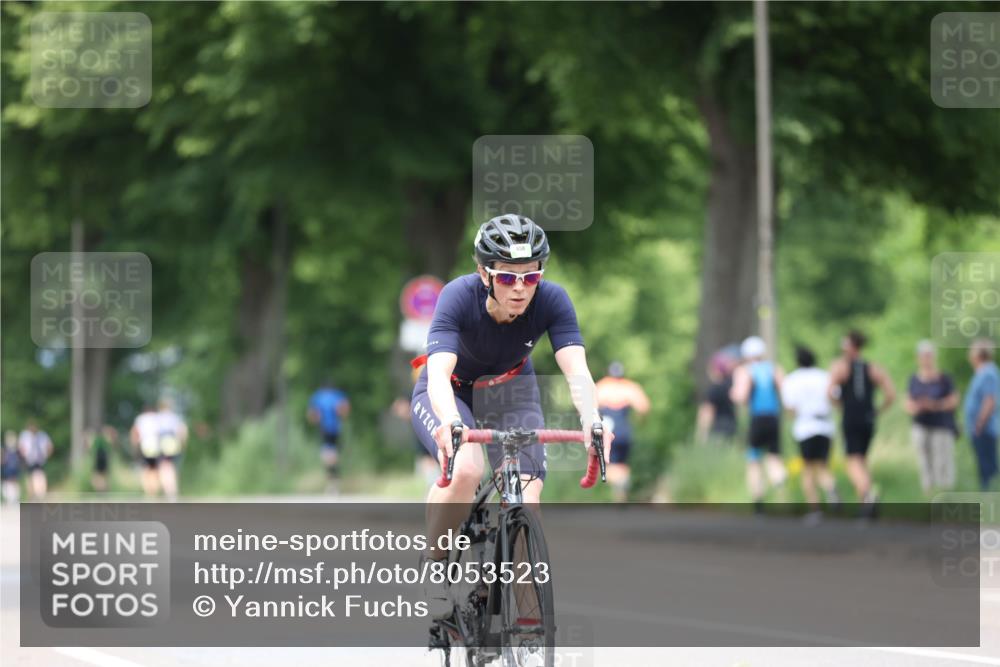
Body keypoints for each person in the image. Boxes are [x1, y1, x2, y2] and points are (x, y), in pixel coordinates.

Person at [409, 214, 612, 619]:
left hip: (511, 391)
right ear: (484, 273)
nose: (520, 288)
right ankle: (435, 565)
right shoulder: (457, 297)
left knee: (526, 496)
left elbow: (577, 371)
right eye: (507, 277)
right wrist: (450, 422)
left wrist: (593, 419)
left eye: (530, 276)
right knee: (467, 468)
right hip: (453, 391)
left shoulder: (553, 300)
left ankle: (527, 623)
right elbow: (438, 374)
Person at [828, 330, 895, 518]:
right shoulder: (873, 368)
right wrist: (878, 410)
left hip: (851, 417)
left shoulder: (841, 367)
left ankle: (868, 494)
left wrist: (841, 406)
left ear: (850, 346)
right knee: (862, 460)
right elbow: (890, 394)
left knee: (852, 461)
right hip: (868, 418)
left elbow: (829, 392)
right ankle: (865, 507)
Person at [782, 345, 839, 523]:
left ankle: (815, 509)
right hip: (825, 425)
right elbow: (835, 398)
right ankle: (831, 488)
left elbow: (790, 408)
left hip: (805, 427)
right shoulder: (824, 376)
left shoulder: (792, 380)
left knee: (807, 469)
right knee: (823, 465)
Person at [730, 336, 787, 512]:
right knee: (774, 457)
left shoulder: (745, 371)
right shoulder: (774, 368)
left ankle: (758, 499)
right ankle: (780, 484)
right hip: (774, 418)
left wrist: (734, 394)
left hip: (757, 418)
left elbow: (741, 396)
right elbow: (785, 391)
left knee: (754, 460)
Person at [905, 341, 959, 493]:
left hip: (941, 424)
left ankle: (944, 490)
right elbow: (907, 402)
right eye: (923, 355)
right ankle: (928, 491)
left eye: (928, 355)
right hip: (921, 424)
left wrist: (935, 405)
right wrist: (917, 407)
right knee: (924, 459)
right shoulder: (914, 379)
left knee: (942, 460)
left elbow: (954, 400)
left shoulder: (944, 378)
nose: (926, 359)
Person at [596, 361, 651, 502]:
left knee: (607, 464)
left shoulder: (601, 386)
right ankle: (620, 493)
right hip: (624, 431)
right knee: (622, 464)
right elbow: (644, 408)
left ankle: (614, 491)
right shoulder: (630, 387)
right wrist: (639, 421)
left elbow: (585, 410)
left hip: (607, 432)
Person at [965, 339, 999, 490]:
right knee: (983, 460)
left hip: (984, 427)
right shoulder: (982, 372)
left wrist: (979, 423)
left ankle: (989, 491)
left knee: (987, 463)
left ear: (977, 355)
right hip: (979, 426)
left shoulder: (988, 373)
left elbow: (989, 401)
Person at [308, 379, 351, 492]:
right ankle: (335, 481)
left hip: (324, 429)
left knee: (327, 455)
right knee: (333, 454)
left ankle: (332, 481)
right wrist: (341, 417)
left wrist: (316, 420)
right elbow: (345, 409)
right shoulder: (337, 395)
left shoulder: (318, 396)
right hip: (336, 429)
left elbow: (312, 414)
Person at [696, 350, 738, 444]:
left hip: (718, 431)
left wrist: (702, 434)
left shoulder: (714, 389)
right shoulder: (731, 385)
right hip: (732, 428)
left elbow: (708, 412)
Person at [18, 420, 54, 501]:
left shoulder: (42, 435)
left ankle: (40, 496)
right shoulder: (25, 436)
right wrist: (23, 455)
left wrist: (47, 455)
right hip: (28, 461)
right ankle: (31, 495)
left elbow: (49, 446)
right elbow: (21, 447)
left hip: (40, 460)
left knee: (40, 478)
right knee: (30, 479)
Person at [86, 425, 118, 494]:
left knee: (96, 476)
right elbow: (111, 447)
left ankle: (101, 490)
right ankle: (104, 490)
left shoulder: (96, 439)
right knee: (103, 476)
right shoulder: (105, 439)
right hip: (105, 457)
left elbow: (90, 448)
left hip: (98, 458)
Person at [2, 431, 21, 504]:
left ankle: (12, 498)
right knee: (10, 482)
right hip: (10, 467)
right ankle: (11, 498)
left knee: (11, 482)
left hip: (11, 467)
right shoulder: (7, 449)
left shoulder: (10, 449)